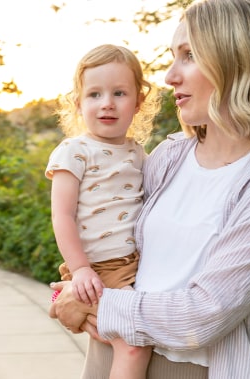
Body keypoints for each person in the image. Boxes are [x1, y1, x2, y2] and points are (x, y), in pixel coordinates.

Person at [49, 0, 250, 378]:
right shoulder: (168, 156)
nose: (170, 76)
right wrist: (70, 291)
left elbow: (204, 314)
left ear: (236, 61)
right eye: (173, 57)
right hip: (112, 354)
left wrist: (88, 304)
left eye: (189, 56)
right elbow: (105, 236)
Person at [45, 44, 159, 379]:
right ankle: (63, 293)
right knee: (133, 343)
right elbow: (62, 215)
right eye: (94, 94)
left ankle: (64, 301)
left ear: (138, 102)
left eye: (119, 93)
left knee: (124, 336)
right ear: (78, 103)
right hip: (97, 268)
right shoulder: (74, 151)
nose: (107, 103)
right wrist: (80, 270)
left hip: (134, 265)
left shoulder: (139, 153)